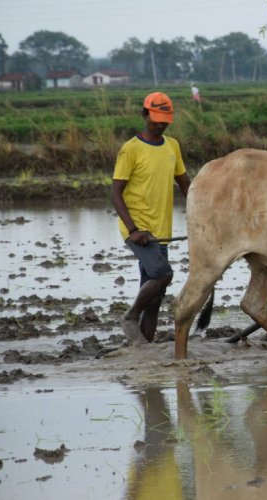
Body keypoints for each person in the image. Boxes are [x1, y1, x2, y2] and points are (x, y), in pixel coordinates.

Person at [111, 92, 190, 345]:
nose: (160, 123)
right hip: (138, 230)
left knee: (155, 298)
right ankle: (130, 317)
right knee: (163, 274)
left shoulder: (172, 146)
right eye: (155, 118)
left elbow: (186, 186)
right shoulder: (131, 149)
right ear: (144, 115)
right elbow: (115, 194)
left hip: (161, 230)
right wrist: (134, 229)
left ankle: (143, 347)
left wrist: (204, 215)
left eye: (164, 119)